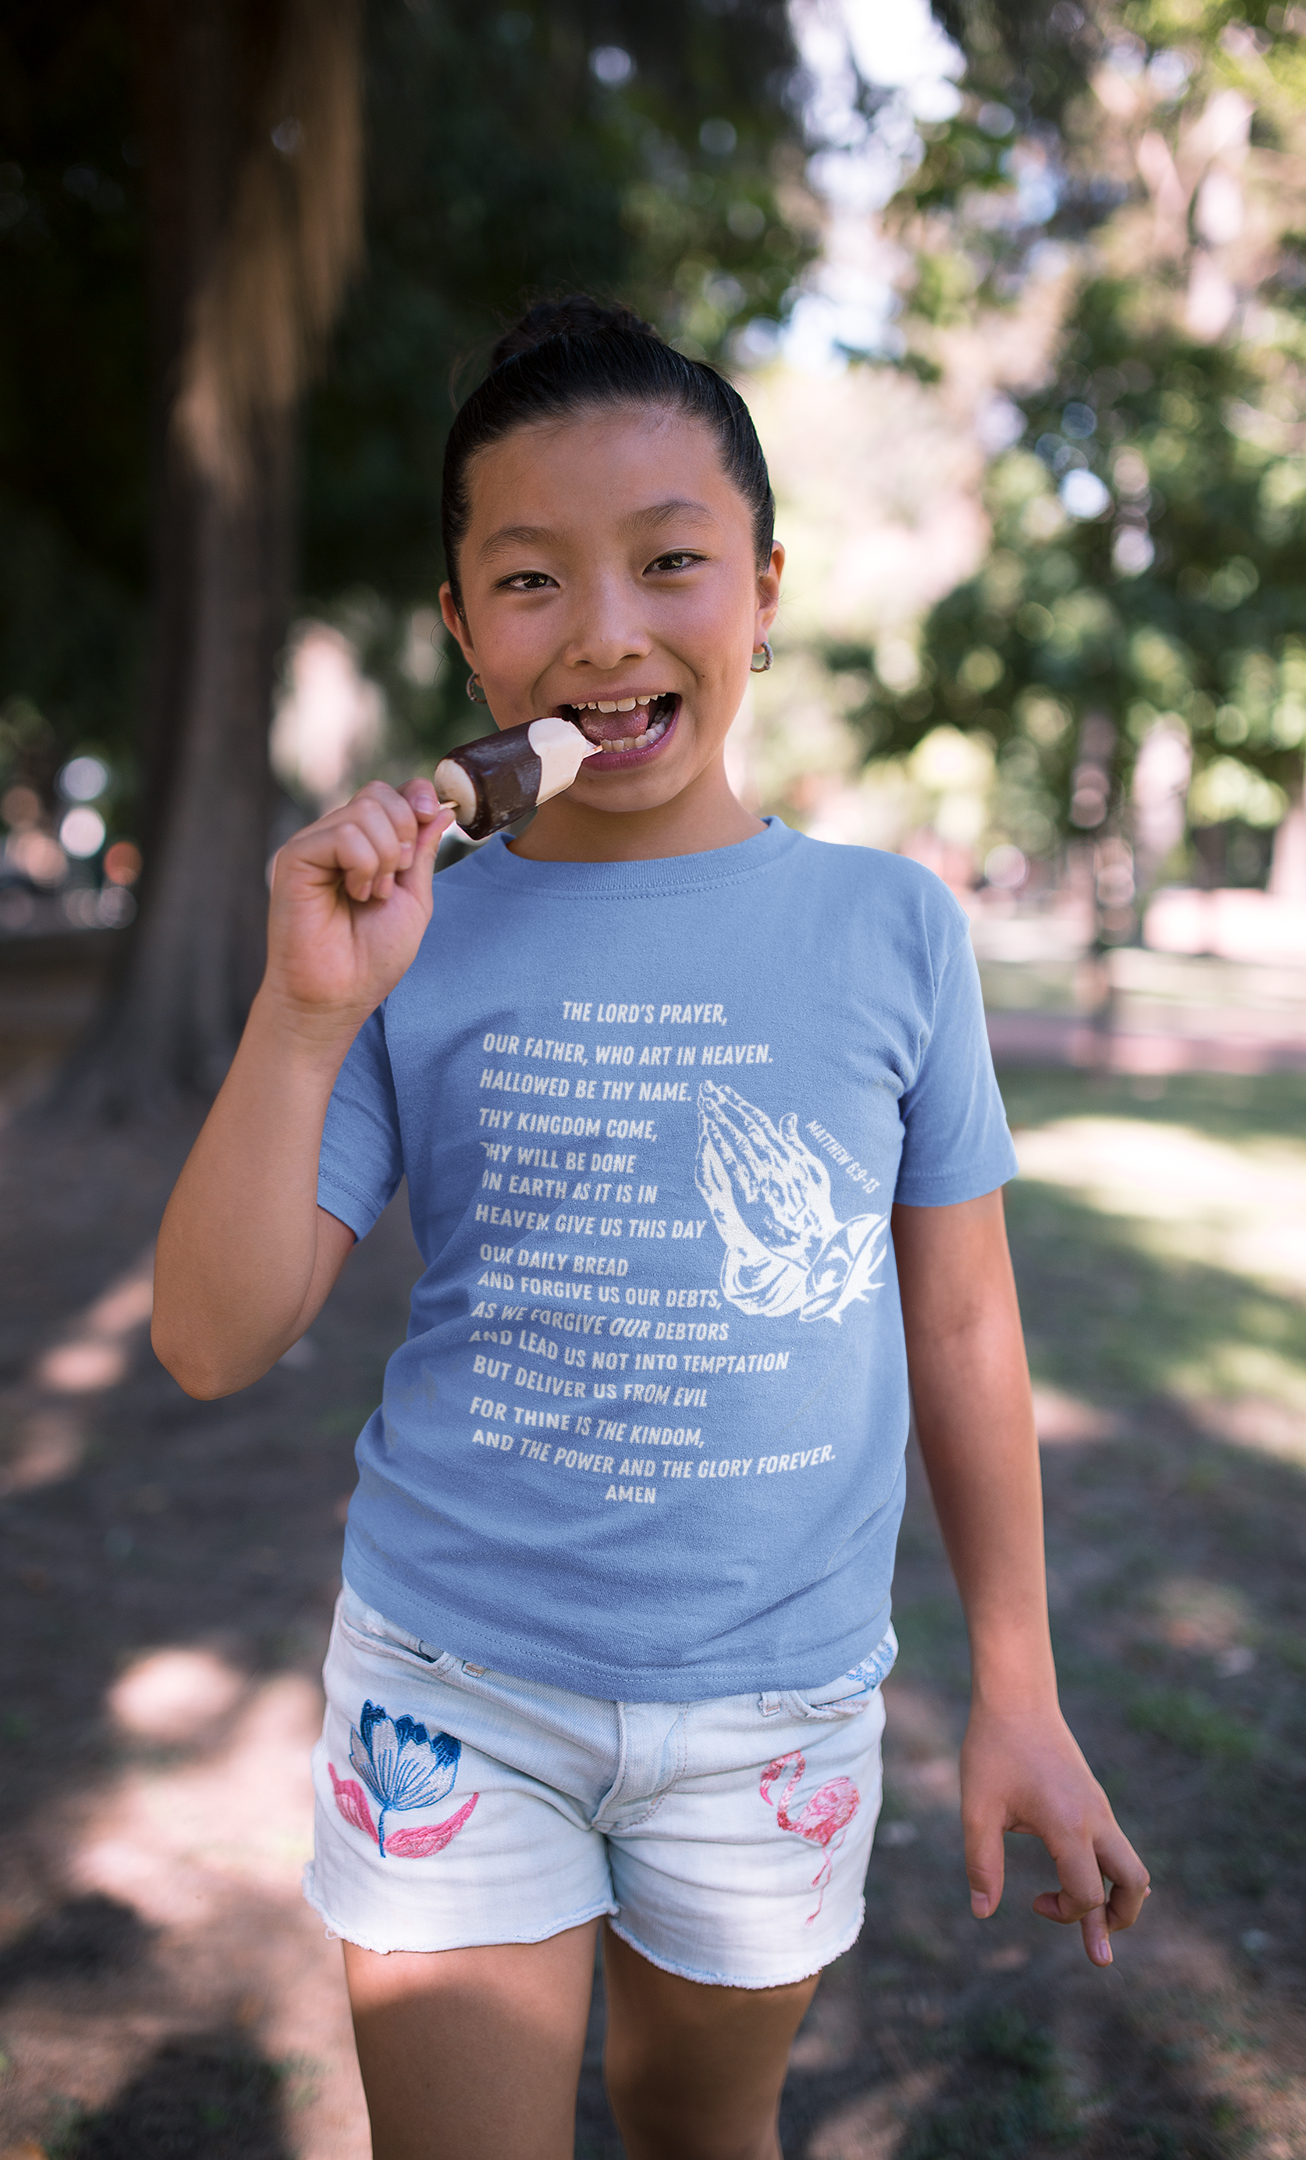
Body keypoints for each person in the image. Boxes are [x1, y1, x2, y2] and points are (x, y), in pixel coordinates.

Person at [151, 296, 1149, 2160]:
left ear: (762, 591)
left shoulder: (891, 929)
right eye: (531, 581)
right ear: (463, 629)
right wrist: (305, 1017)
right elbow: (211, 1338)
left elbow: (961, 1333)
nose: (604, 630)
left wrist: (1016, 1688)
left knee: (706, 2135)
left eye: (671, 561)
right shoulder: (408, 931)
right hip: (454, 1693)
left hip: (773, 1707)